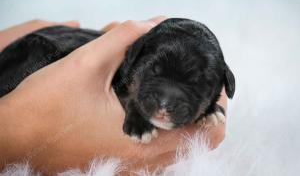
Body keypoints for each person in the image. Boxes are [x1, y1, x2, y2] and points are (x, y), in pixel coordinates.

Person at [0, 17, 227, 174]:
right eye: (153, 72)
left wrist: (204, 107)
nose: (165, 102)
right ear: (134, 58)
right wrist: (13, 138)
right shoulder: (123, 71)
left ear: (224, 82)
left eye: (196, 83)